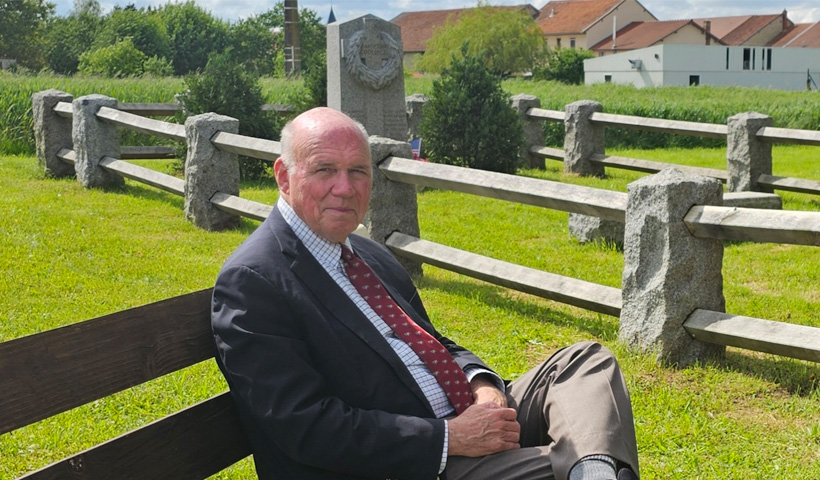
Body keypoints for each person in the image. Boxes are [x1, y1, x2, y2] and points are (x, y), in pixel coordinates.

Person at [211, 107, 640, 480]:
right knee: (576, 459)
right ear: (284, 176)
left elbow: (433, 343)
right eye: (325, 170)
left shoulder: (365, 253)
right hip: (411, 464)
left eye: (358, 171)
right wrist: (452, 437)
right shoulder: (255, 281)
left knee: (583, 362)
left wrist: (483, 383)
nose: (345, 187)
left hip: (465, 420)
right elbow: (306, 426)